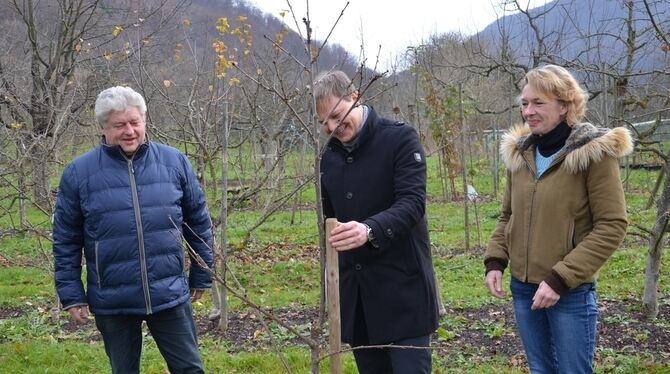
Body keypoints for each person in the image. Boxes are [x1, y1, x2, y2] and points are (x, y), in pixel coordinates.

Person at [53, 86, 214, 374]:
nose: (129, 131)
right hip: (113, 300)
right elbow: (66, 240)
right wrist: (72, 293)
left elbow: (198, 222)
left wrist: (202, 273)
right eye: (119, 125)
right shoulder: (79, 173)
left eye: (134, 122)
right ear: (103, 128)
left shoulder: (174, 162)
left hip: (169, 294)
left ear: (144, 121)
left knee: (190, 369)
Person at [484, 65, 633, 373]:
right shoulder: (520, 155)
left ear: (565, 105)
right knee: (541, 369)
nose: (528, 111)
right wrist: (495, 260)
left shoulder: (593, 154)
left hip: (568, 291)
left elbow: (612, 225)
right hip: (523, 288)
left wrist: (559, 279)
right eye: (525, 103)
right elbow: (507, 215)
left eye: (539, 103)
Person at [314, 70, 439, 373]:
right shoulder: (327, 158)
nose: (332, 127)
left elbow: (412, 204)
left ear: (354, 96)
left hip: (403, 293)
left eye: (336, 115)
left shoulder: (399, 139)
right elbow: (331, 217)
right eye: (324, 123)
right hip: (359, 300)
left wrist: (369, 230)